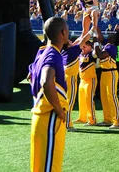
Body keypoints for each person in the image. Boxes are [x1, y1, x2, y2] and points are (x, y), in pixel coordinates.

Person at [28, 18, 71, 171]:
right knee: (49, 166)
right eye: (67, 29)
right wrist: (59, 110)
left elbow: (31, 73)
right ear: (63, 32)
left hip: (41, 117)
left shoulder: (42, 52)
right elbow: (46, 81)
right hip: (50, 117)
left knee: (40, 165)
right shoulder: (53, 54)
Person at [62, 30, 91, 131]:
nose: (72, 41)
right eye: (70, 42)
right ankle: (67, 124)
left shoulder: (65, 51)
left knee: (65, 101)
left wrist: (84, 30)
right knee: (69, 102)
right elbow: (83, 40)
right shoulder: (72, 51)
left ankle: (63, 122)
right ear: (69, 45)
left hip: (63, 78)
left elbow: (80, 39)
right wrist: (92, 29)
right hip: (70, 78)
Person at [94, 33, 119, 129]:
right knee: (104, 97)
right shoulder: (107, 44)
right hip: (104, 73)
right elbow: (100, 37)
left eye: (112, 35)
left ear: (113, 39)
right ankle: (108, 119)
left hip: (111, 73)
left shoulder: (112, 47)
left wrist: (95, 43)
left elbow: (100, 55)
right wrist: (94, 25)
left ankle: (117, 121)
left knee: (112, 96)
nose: (109, 35)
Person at [76, 40, 97, 125]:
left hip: (90, 79)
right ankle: (82, 117)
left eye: (84, 47)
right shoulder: (81, 54)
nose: (82, 48)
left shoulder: (92, 54)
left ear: (89, 47)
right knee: (81, 100)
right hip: (82, 80)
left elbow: (96, 53)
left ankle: (92, 120)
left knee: (89, 100)